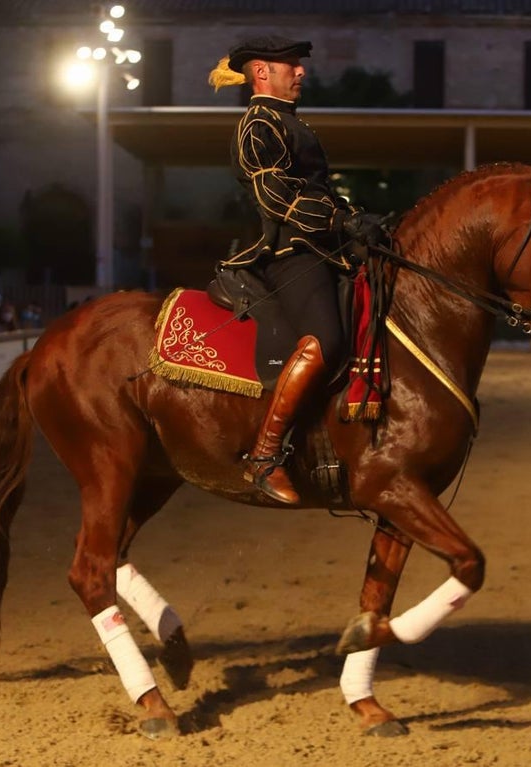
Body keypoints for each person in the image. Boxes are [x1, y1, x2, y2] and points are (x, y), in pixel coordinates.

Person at [208, 35, 386, 504]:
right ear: (261, 73)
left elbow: (319, 192)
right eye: (291, 65)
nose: (301, 71)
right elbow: (277, 199)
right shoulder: (256, 125)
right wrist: (339, 222)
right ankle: (265, 456)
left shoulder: (292, 123)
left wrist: (359, 221)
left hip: (324, 248)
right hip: (288, 252)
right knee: (324, 341)